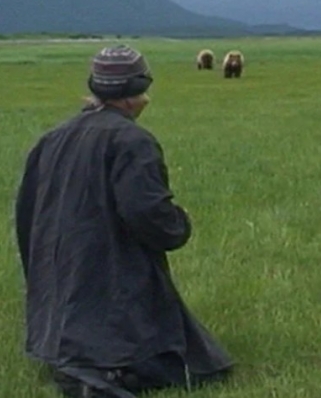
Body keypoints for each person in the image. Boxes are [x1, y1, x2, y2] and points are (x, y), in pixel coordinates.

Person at [14, 45, 234, 397]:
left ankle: (79, 361)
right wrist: (179, 224)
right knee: (198, 367)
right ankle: (105, 375)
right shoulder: (132, 141)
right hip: (107, 277)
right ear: (134, 93)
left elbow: (28, 211)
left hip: (59, 302)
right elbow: (148, 215)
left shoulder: (52, 138)